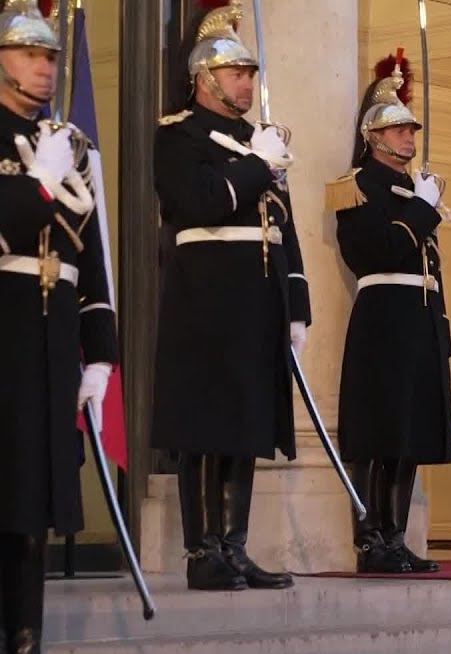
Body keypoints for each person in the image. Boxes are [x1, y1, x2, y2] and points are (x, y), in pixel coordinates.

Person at [151, 0, 308, 591]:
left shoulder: (258, 140)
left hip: (258, 296)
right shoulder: (178, 135)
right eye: (237, 73)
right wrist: (257, 167)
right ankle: (203, 551)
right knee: (205, 423)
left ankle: (235, 547)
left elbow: (283, 226)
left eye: (249, 73)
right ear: (205, 78)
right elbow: (199, 201)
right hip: (206, 296)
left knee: (247, 422)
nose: (247, 83)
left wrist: (297, 304)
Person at [0, 0, 111, 654]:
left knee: (35, 500)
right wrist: (37, 186)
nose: (45, 67)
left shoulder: (68, 142)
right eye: (30, 54)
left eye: (50, 56)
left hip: (49, 337)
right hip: (4, 327)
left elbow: (90, 258)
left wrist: (98, 354)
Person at [327, 55, 450, 574]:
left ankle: (396, 537)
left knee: (410, 434)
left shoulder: (414, 187)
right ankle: (370, 541)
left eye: (410, 129)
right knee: (377, 432)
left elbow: (429, 267)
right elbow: (378, 251)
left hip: (420, 318)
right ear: (373, 136)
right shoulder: (357, 185)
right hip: (383, 319)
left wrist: (441, 329)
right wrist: (423, 208)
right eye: (398, 129)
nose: (408, 136)